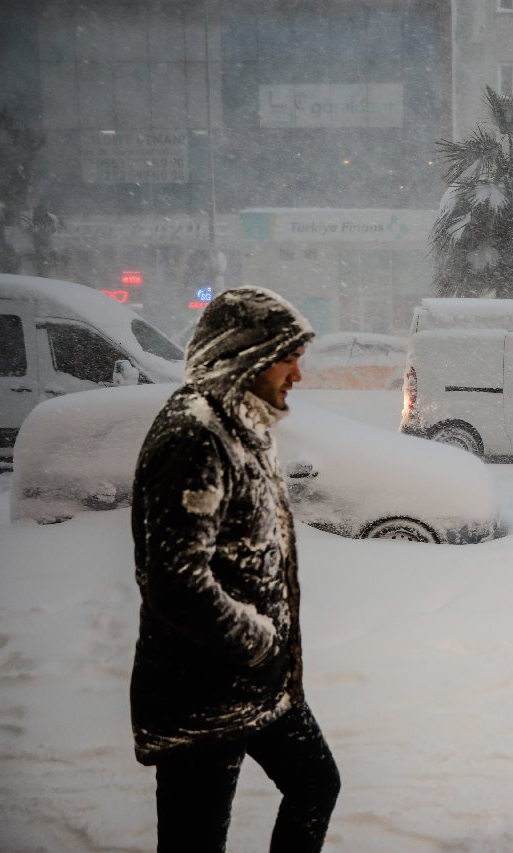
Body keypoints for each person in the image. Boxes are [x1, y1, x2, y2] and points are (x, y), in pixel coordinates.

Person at [130, 287, 340, 852]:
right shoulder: (195, 434)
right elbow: (176, 582)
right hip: (203, 690)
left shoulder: (242, 424)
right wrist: (261, 644)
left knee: (316, 785)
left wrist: (270, 660)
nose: (298, 372)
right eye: (287, 355)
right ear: (245, 353)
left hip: (260, 686)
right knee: (194, 842)